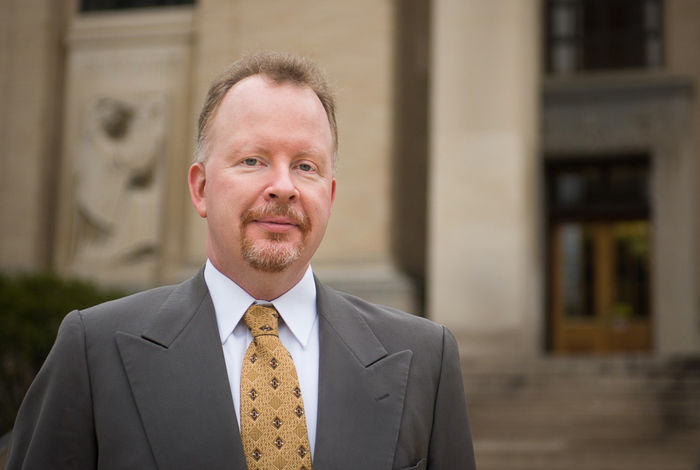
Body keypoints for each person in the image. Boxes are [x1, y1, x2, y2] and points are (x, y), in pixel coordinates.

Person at [7, 52, 476, 469]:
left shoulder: (425, 359)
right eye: (253, 160)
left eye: (306, 166)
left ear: (329, 196)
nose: (283, 186)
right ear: (201, 188)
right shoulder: (93, 352)